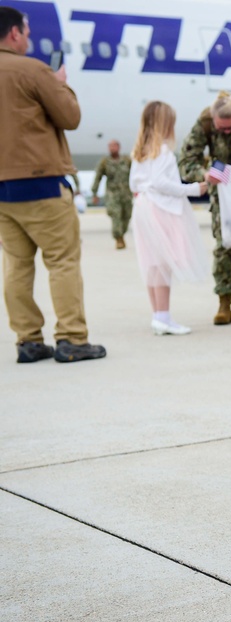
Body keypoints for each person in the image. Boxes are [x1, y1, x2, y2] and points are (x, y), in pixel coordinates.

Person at [0, 7, 106, 364]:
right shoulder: (32, 69)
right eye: (26, 32)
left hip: (2, 190)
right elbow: (70, 117)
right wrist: (60, 84)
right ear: (14, 33)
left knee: (16, 265)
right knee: (62, 261)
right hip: (41, 183)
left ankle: (28, 341)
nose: (28, 38)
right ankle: (72, 339)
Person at [178, 91, 231, 326]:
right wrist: (203, 175)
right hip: (223, 193)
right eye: (221, 128)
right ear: (213, 120)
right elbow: (186, 160)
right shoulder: (204, 122)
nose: (226, 131)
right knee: (225, 246)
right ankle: (225, 304)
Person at [128, 102, 210, 335]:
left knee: (153, 263)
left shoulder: (140, 151)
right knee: (164, 263)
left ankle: (159, 315)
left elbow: (134, 183)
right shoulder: (163, 152)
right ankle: (163, 317)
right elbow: (160, 183)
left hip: (143, 206)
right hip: (160, 209)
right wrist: (193, 189)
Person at [91, 140, 133, 249]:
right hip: (112, 194)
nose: (112, 148)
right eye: (110, 146)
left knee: (127, 216)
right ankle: (118, 238)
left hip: (127, 194)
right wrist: (94, 193)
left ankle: (122, 233)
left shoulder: (127, 161)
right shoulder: (105, 162)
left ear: (119, 147)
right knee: (116, 215)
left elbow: (136, 175)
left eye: (114, 146)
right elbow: (98, 178)